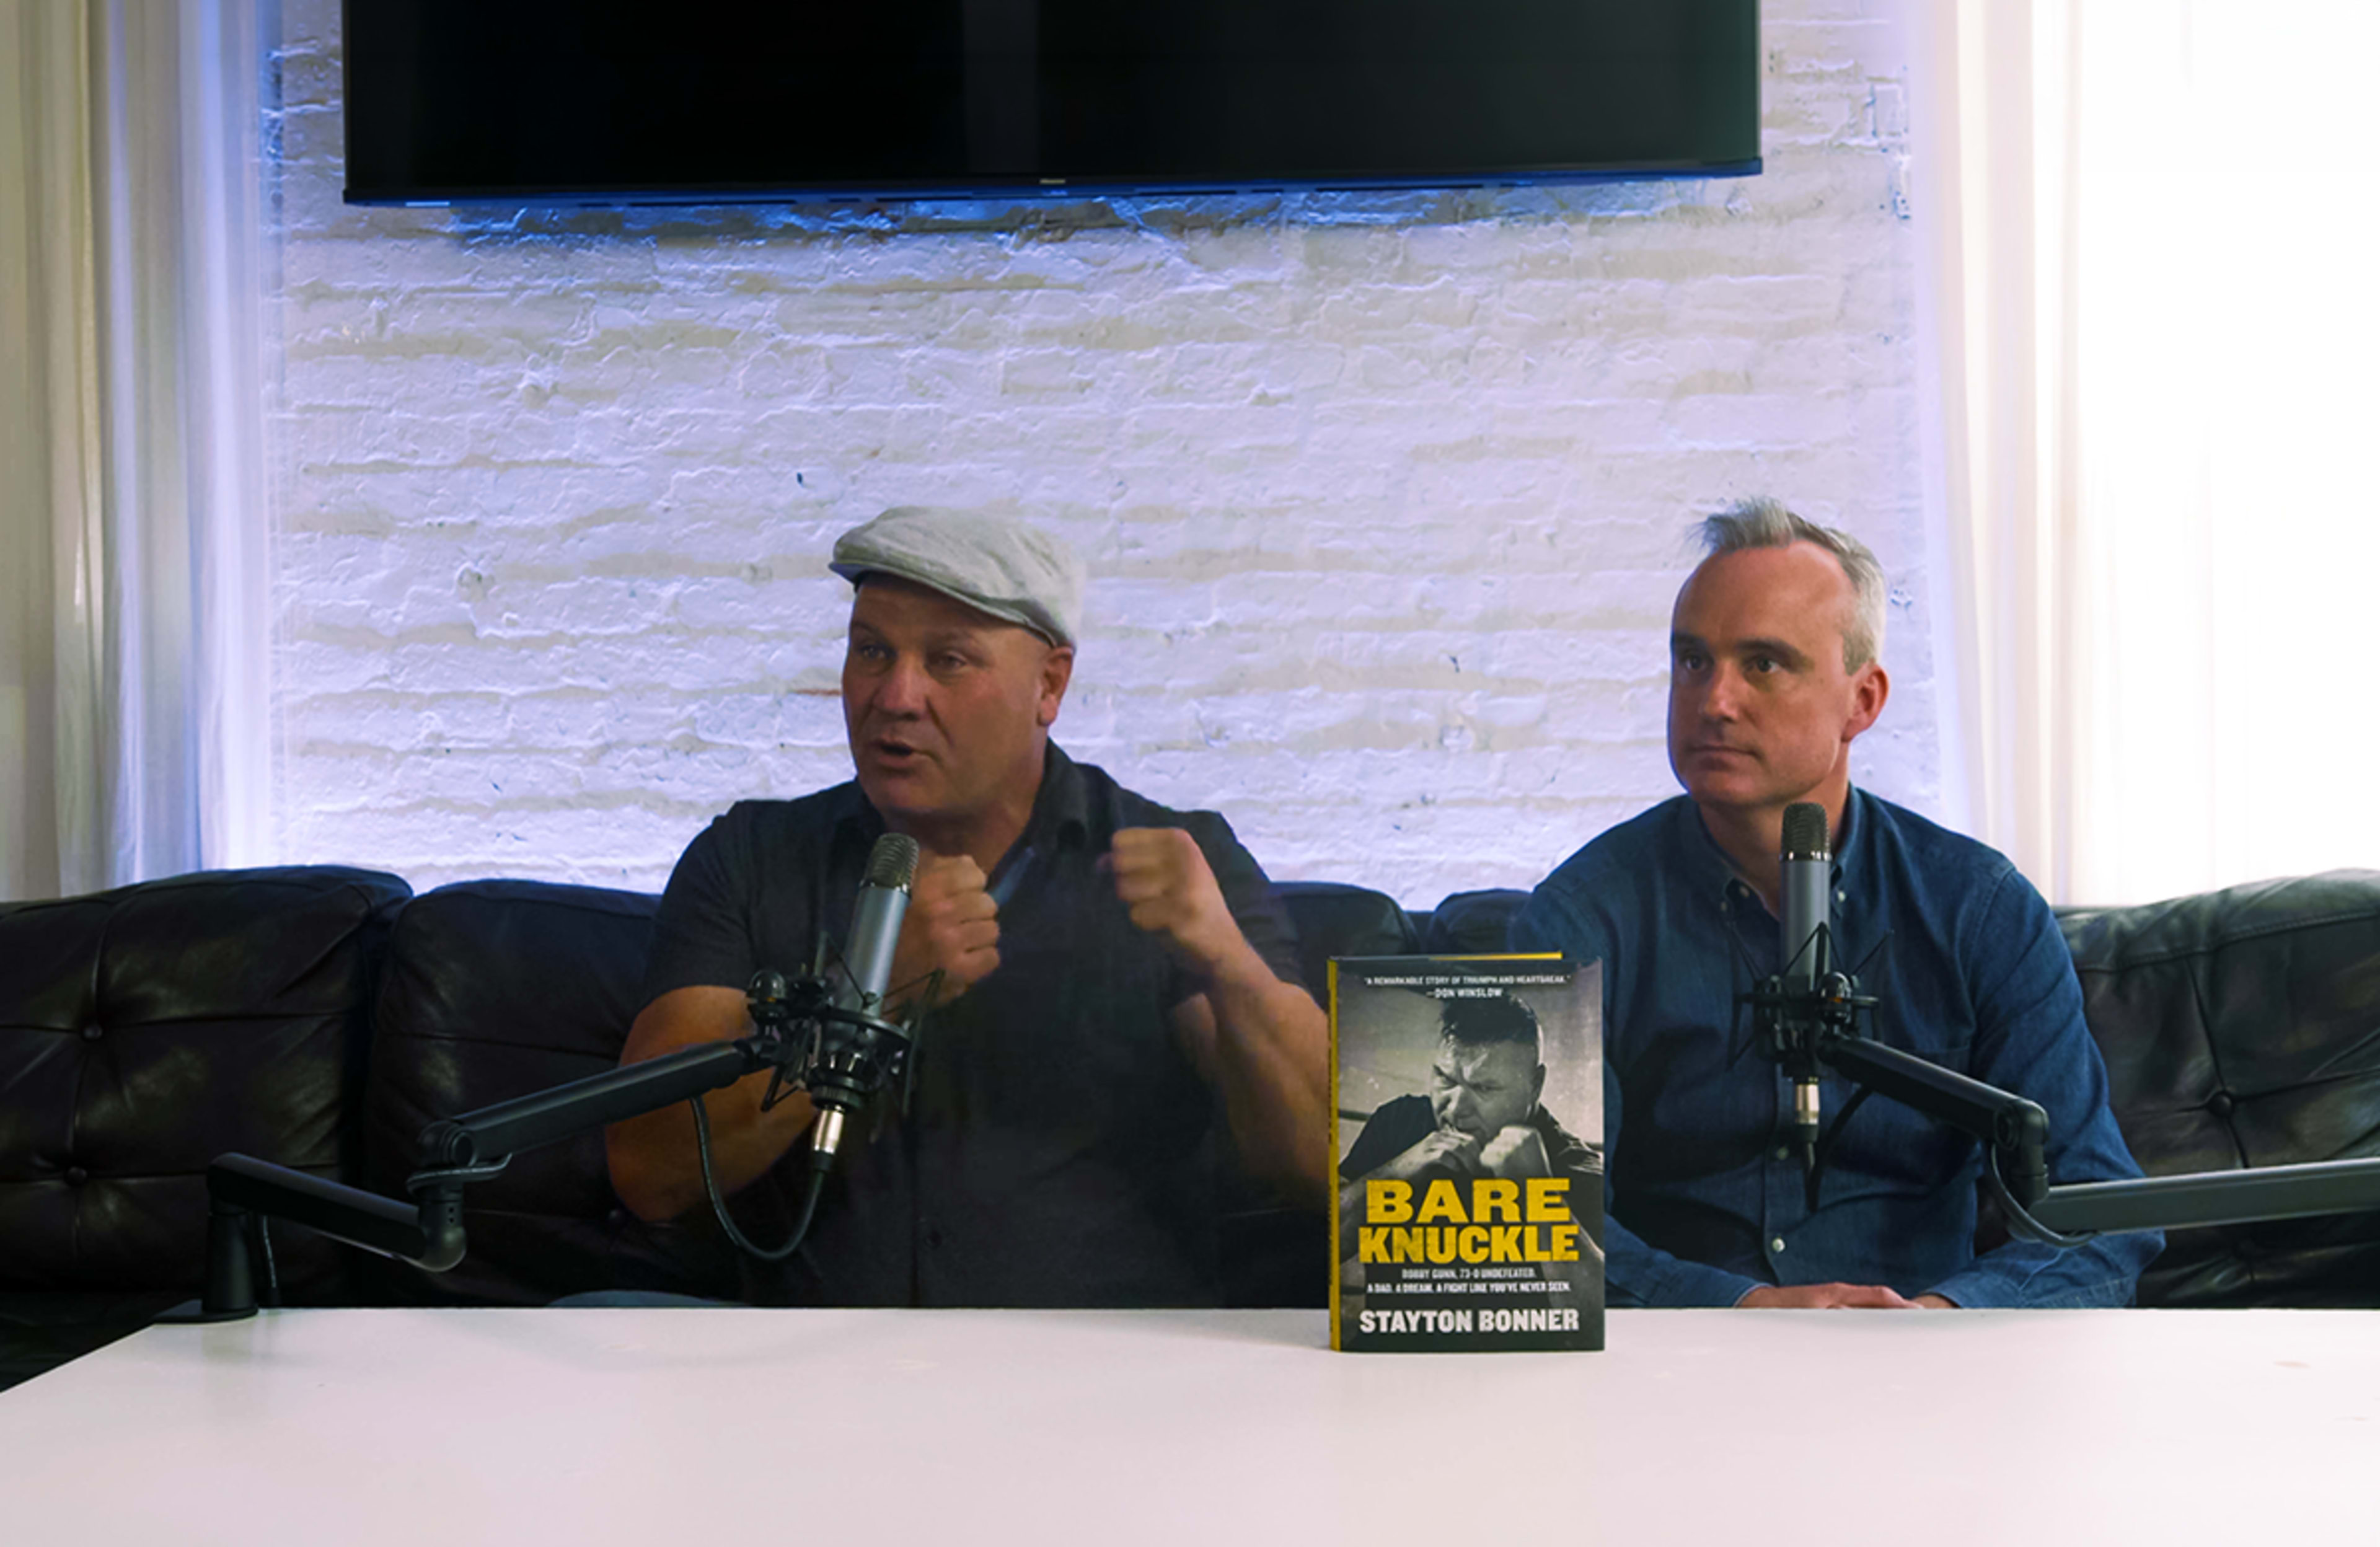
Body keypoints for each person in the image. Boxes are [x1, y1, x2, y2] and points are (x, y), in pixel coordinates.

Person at [604, 506, 1329, 1307]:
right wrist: (868, 994)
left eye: (948, 660)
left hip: (1111, 1388)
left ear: (1050, 684)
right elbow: (649, 1168)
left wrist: (1230, 967)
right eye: (871, 651)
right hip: (816, 1386)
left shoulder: (1174, 860)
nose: (897, 696)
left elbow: (1323, 1166)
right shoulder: (750, 859)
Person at [1509, 498, 2161, 1308]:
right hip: (1676, 1381)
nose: (1714, 701)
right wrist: (1734, 1310)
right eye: (1692, 662)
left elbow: (2098, 1213)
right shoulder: (1582, 918)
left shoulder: (1980, 911)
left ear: (1864, 701)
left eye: (1764, 665)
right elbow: (1530, 1228)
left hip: (1928, 1382)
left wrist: (1949, 1318)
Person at [1334, 992, 1603, 1290]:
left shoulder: (1576, 1164)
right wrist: (1395, 1173)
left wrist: (1537, 1195)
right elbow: (1318, 1241)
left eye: (1485, 1088)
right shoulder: (1398, 1119)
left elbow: (1592, 1316)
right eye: (1446, 1079)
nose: (1455, 1108)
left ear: (1534, 1085)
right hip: (1401, 1332)